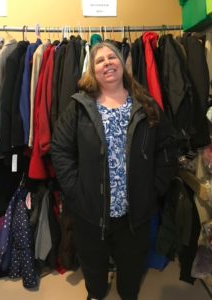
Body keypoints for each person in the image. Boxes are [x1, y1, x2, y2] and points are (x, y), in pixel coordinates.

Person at [51, 41, 178, 300]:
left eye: (112, 57)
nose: (107, 63)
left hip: (136, 211)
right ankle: (96, 294)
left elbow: (167, 146)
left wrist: (155, 186)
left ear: (122, 64)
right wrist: (76, 190)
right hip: (90, 211)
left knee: (132, 267)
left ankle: (128, 293)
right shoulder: (79, 107)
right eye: (100, 60)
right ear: (93, 71)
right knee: (93, 265)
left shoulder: (146, 105)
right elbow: (60, 149)